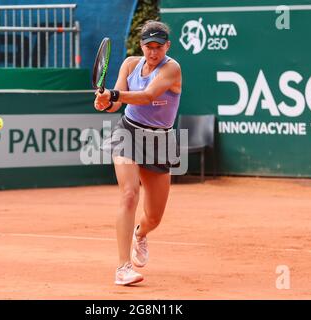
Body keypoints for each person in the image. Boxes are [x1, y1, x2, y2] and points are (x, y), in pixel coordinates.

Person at [94, 20, 182, 286]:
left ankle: (140, 234)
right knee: (129, 193)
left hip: (160, 142)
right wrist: (105, 102)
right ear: (141, 45)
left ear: (167, 46)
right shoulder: (130, 64)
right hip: (128, 132)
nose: (153, 52)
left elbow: (146, 95)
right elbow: (116, 104)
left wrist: (114, 94)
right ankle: (123, 267)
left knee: (154, 216)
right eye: (148, 46)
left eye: (158, 47)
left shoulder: (172, 68)